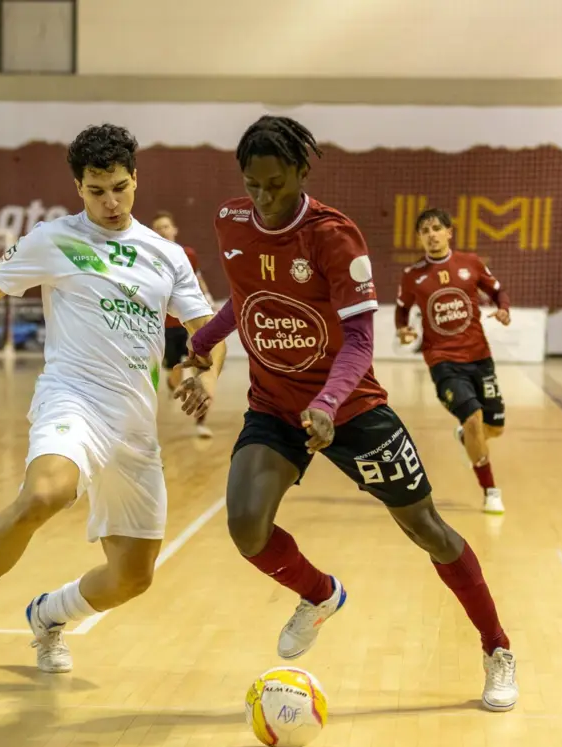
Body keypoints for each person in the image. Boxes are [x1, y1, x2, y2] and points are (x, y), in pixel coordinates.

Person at [177, 115, 518, 712]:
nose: (264, 198)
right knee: (246, 526)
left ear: (301, 172)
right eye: (253, 185)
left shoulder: (334, 236)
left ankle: (497, 648)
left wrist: (328, 403)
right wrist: (201, 344)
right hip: (273, 406)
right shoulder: (231, 219)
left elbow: (361, 342)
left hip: (351, 407)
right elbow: (245, 296)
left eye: (276, 185)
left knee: (426, 529)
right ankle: (320, 594)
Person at [0, 124, 224, 673]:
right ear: (78, 187)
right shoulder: (53, 240)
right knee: (43, 494)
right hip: (73, 399)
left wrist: (206, 376)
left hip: (134, 425)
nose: (111, 202)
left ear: (136, 179)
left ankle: (48, 616)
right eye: (97, 191)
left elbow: (208, 331)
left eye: (120, 188)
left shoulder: (166, 255)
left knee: (133, 577)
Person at [395, 207, 511, 514]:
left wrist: (503, 309)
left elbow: (498, 291)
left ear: (449, 232)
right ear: (419, 238)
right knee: (473, 418)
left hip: (480, 357)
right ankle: (490, 491)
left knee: (494, 428)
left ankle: (466, 438)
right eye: (425, 231)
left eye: (436, 228)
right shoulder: (413, 275)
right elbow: (402, 310)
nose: (431, 235)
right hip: (442, 361)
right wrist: (403, 329)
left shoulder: (471, 263)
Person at [151, 210, 215, 438]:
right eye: (158, 228)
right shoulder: (148, 258)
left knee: (201, 369)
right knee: (174, 369)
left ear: (174, 230)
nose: (163, 231)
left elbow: (198, 278)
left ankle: (201, 422)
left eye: (166, 226)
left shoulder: (187, 254)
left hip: (191, 321)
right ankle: (173, 383)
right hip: (165, 326)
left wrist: (208, 301)